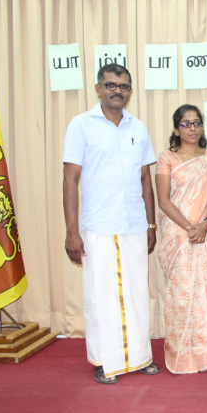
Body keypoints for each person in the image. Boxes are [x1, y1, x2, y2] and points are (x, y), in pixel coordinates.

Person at [63, 63, 161, 384]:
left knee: (136, 292)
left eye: (123, 86)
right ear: (98, 88)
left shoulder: (138, 128)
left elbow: (145, 178)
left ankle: (140, 357)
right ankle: (104, 361)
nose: (117, 91)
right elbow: (70, 180)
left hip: (134, 224)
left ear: (130, 91)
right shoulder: (81, 125)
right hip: (98, 226)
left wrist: (151, 225)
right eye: (111, 85)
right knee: (100, 296)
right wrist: (72, 232)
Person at [155, 104, 207, 374]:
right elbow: (163, 200)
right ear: (176, 129)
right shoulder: (167, 158)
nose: (192, 128)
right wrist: (190, 228)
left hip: (206, 231)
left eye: (197, 123)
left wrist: (205, 224)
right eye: (186, 124)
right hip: (179, 234)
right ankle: (184, 350)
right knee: (183, 293)